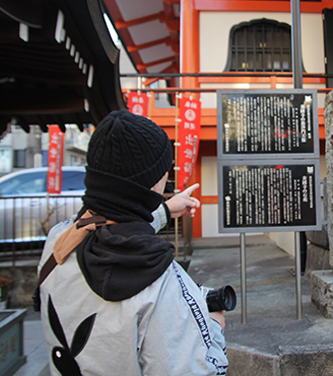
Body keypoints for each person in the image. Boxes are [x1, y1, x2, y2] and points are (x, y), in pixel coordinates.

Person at [37, 110, 228, 376]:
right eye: (164, 171)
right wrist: (212, 328)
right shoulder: (159, 279)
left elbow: (108, 226)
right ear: (154, 183)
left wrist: (163, 211)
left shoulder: (59, 242)